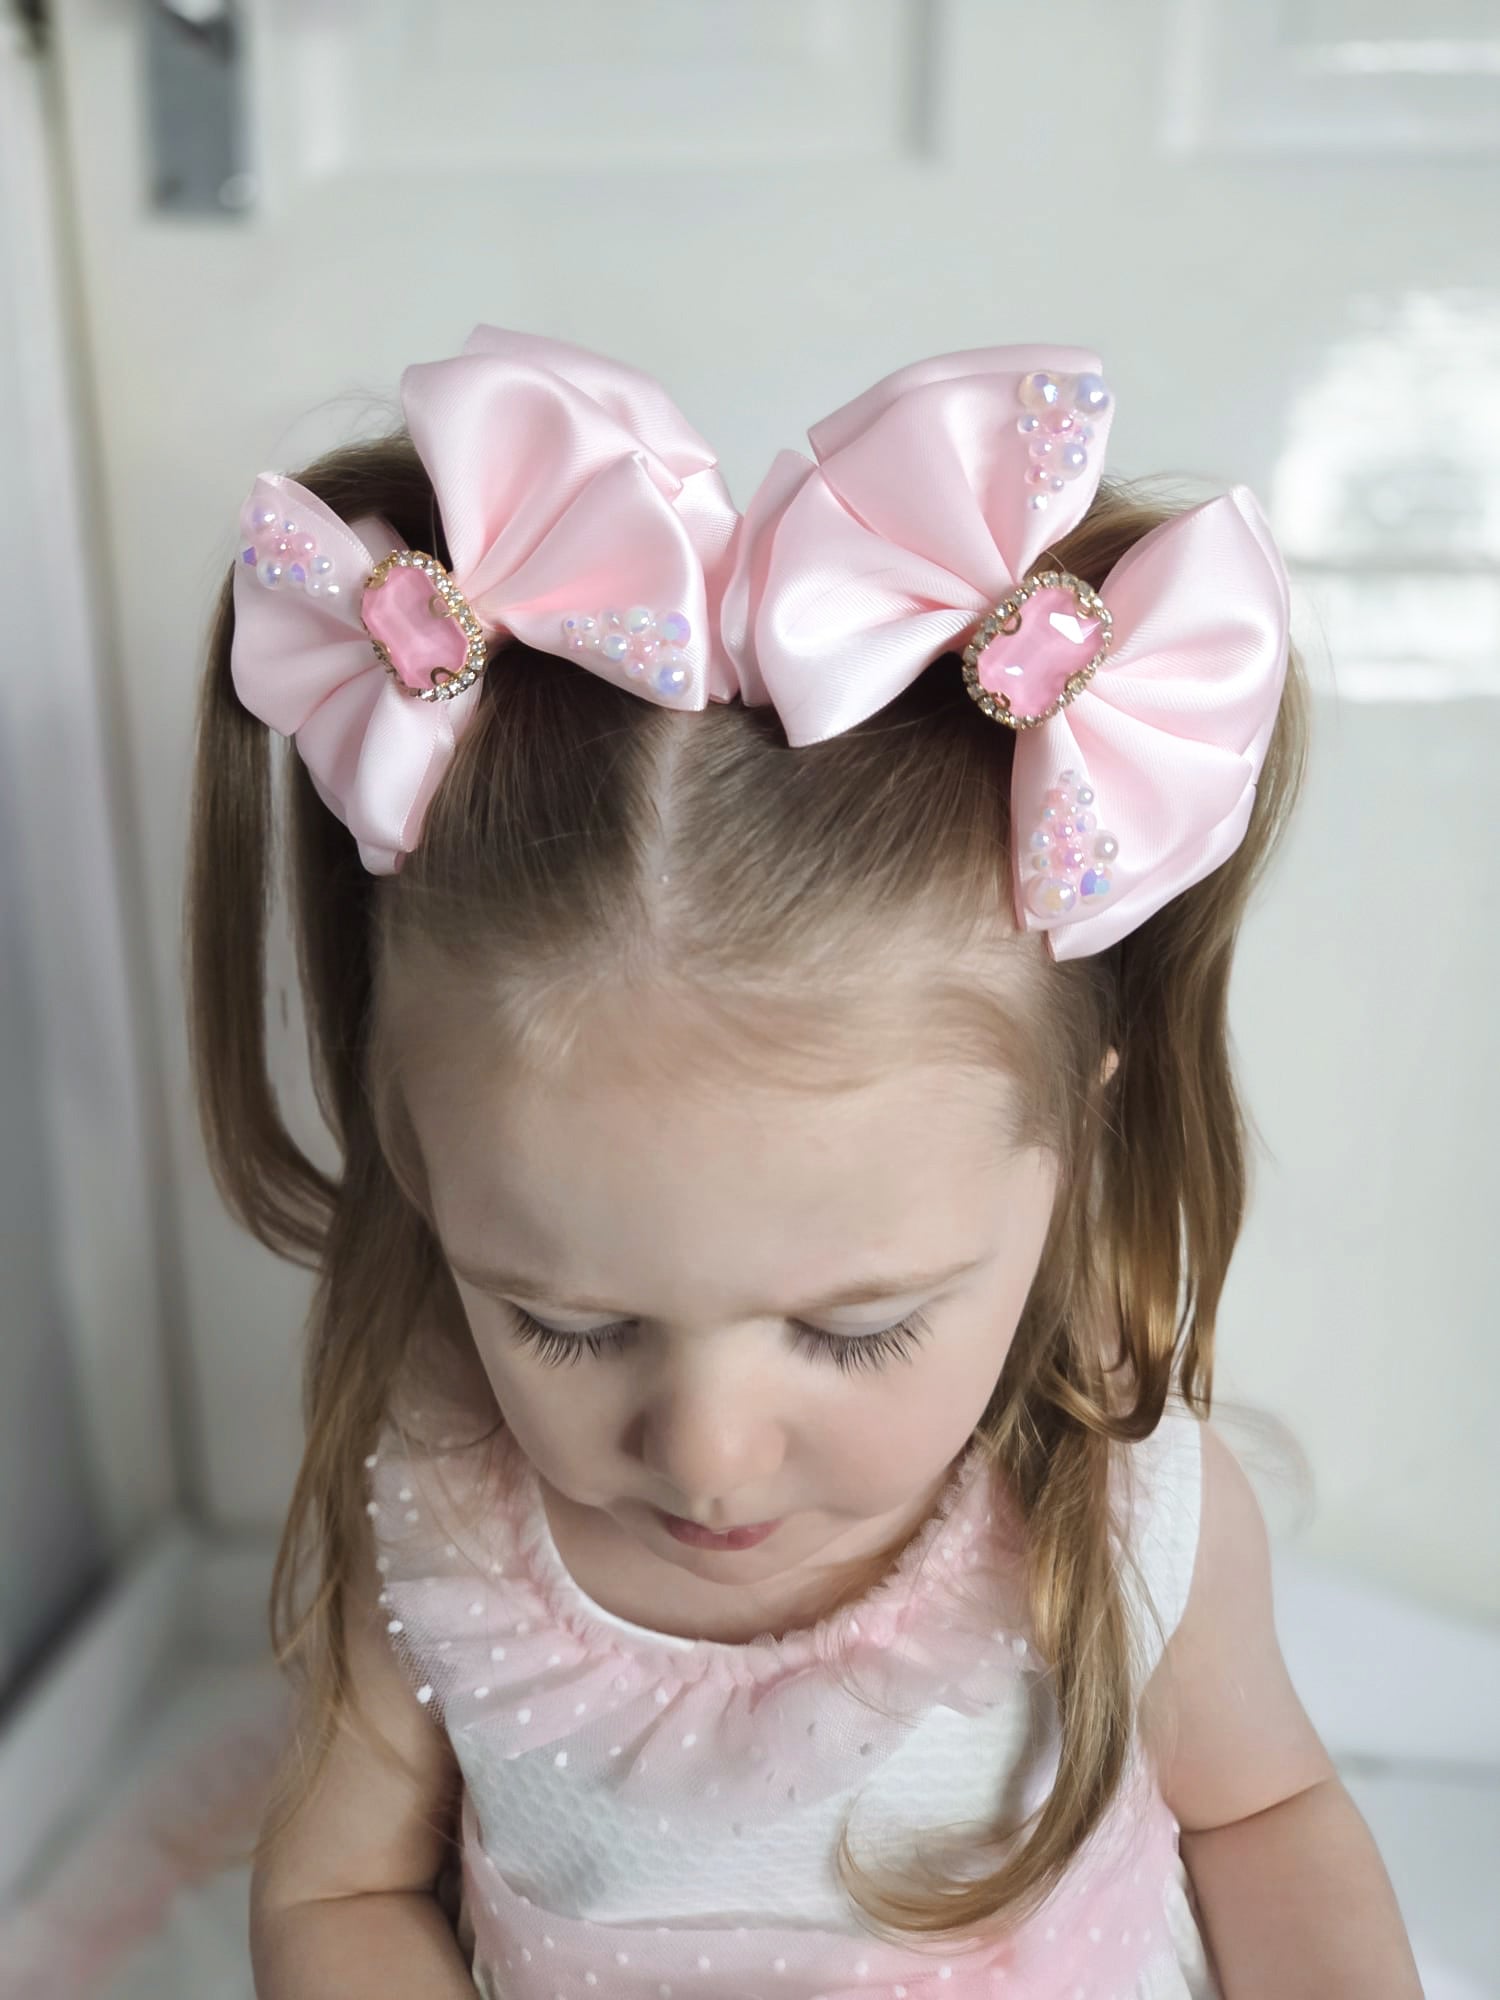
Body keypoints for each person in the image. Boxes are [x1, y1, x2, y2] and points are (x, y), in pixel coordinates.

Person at [186, 327, 1423, 1998]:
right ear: (412, 1155)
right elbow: (339, 1893)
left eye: (856, 1331)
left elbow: (1266, 1815)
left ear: (1074, 1153)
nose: (708, 1455)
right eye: (567, 1324)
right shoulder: (445, 1523)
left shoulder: (1125, 1517)